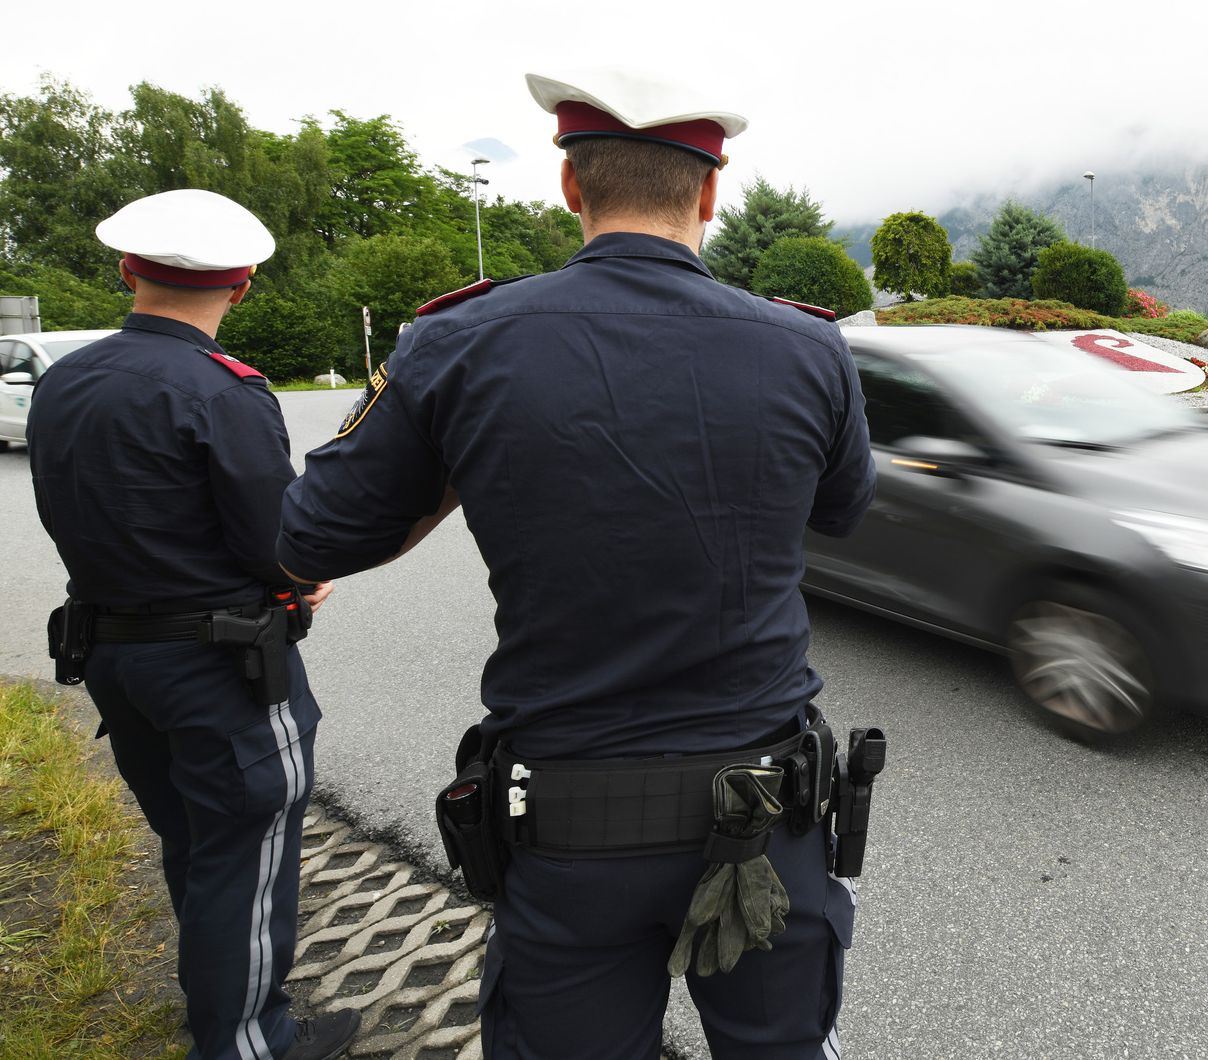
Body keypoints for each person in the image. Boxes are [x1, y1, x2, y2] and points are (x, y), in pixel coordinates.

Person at [276, 68, 877, 1059]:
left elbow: (311, 536)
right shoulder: (809, 349)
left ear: (571, 189)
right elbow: (844, 510)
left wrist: (458, 468)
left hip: (567, 833)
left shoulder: (456, 344)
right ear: (710, 193)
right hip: (764, 821)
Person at [27, 189, 359, 1060]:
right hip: (220, 668)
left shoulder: (66, 380)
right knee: (246, 852)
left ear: (128, 269)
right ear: (243, 283)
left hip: (110, 651)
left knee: (192, 842)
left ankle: (216, 1009)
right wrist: (305, 576)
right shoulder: (224, 391)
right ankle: (249, 1042)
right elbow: (274, 543)